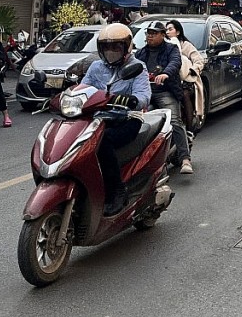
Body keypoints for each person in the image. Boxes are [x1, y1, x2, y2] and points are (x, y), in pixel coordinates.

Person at [82, 23, 150, 215]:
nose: (110, 51)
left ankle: (116, 191)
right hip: (98, 118)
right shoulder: (96, 67)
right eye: (107, 47)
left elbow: (144, 96)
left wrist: (131, 100)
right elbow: (83, 89)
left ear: (126, 47)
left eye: (116, 47)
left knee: (102, 142)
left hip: (127, 118)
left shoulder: (137, 67)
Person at [134, 22, 191, 175]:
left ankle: (185, 159)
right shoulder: (140, 53)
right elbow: (132, 67)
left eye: (154, 33)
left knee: (174, 121)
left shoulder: (171, 49)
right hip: (144, 93)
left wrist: (166, 73)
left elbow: (175, 62)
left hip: (165, 91)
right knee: (134, 120)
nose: (150, 36)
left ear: (163, 35)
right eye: (148, 33)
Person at [164, 19, 206, 135]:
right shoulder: (164, 45)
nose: (167, 32)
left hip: (186, 80)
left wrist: (192, 70)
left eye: (170, 29)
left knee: (184, 95)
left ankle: (189, 128)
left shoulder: (186, 45)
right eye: (166, 30)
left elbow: (199, 60)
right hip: (169, 79)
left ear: (178, 32)